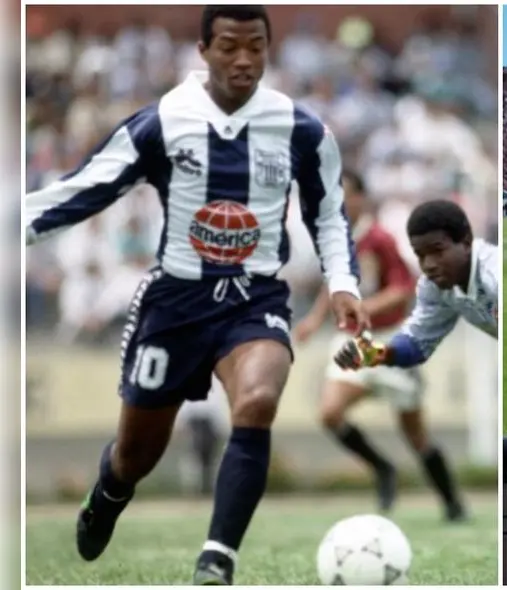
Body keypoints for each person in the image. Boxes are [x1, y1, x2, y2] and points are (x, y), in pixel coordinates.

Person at [23, 6, 370, 585]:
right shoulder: (162, 122)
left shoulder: (301, 128)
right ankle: (108, 493)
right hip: (176, 303)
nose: (244, 59)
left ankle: (218, 559)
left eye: (256, 46)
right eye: (230, 46)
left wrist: (342, 283)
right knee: (135, 456)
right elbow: (82, 191)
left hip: (255, 298)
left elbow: (328, 214)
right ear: (203, 50)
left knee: (258, 401)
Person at [294, 173, 466, 521]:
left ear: (362, 199)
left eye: (345, 196)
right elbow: (334, 286)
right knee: (330, 413)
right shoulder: (336, 241)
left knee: (416, 436)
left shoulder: (380, 239)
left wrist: (364, 307)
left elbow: (402, 290)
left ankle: (452, 502)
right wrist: (314, 319)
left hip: (389, 344)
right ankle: (383, 468)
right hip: (353, 342)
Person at [331, 201, 497, 479]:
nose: (429, 264)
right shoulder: (435, 287)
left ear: (465, 242)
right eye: (420, 255)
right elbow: (416, 345)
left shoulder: (494, 274)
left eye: (438, 251)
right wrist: (371, 354)